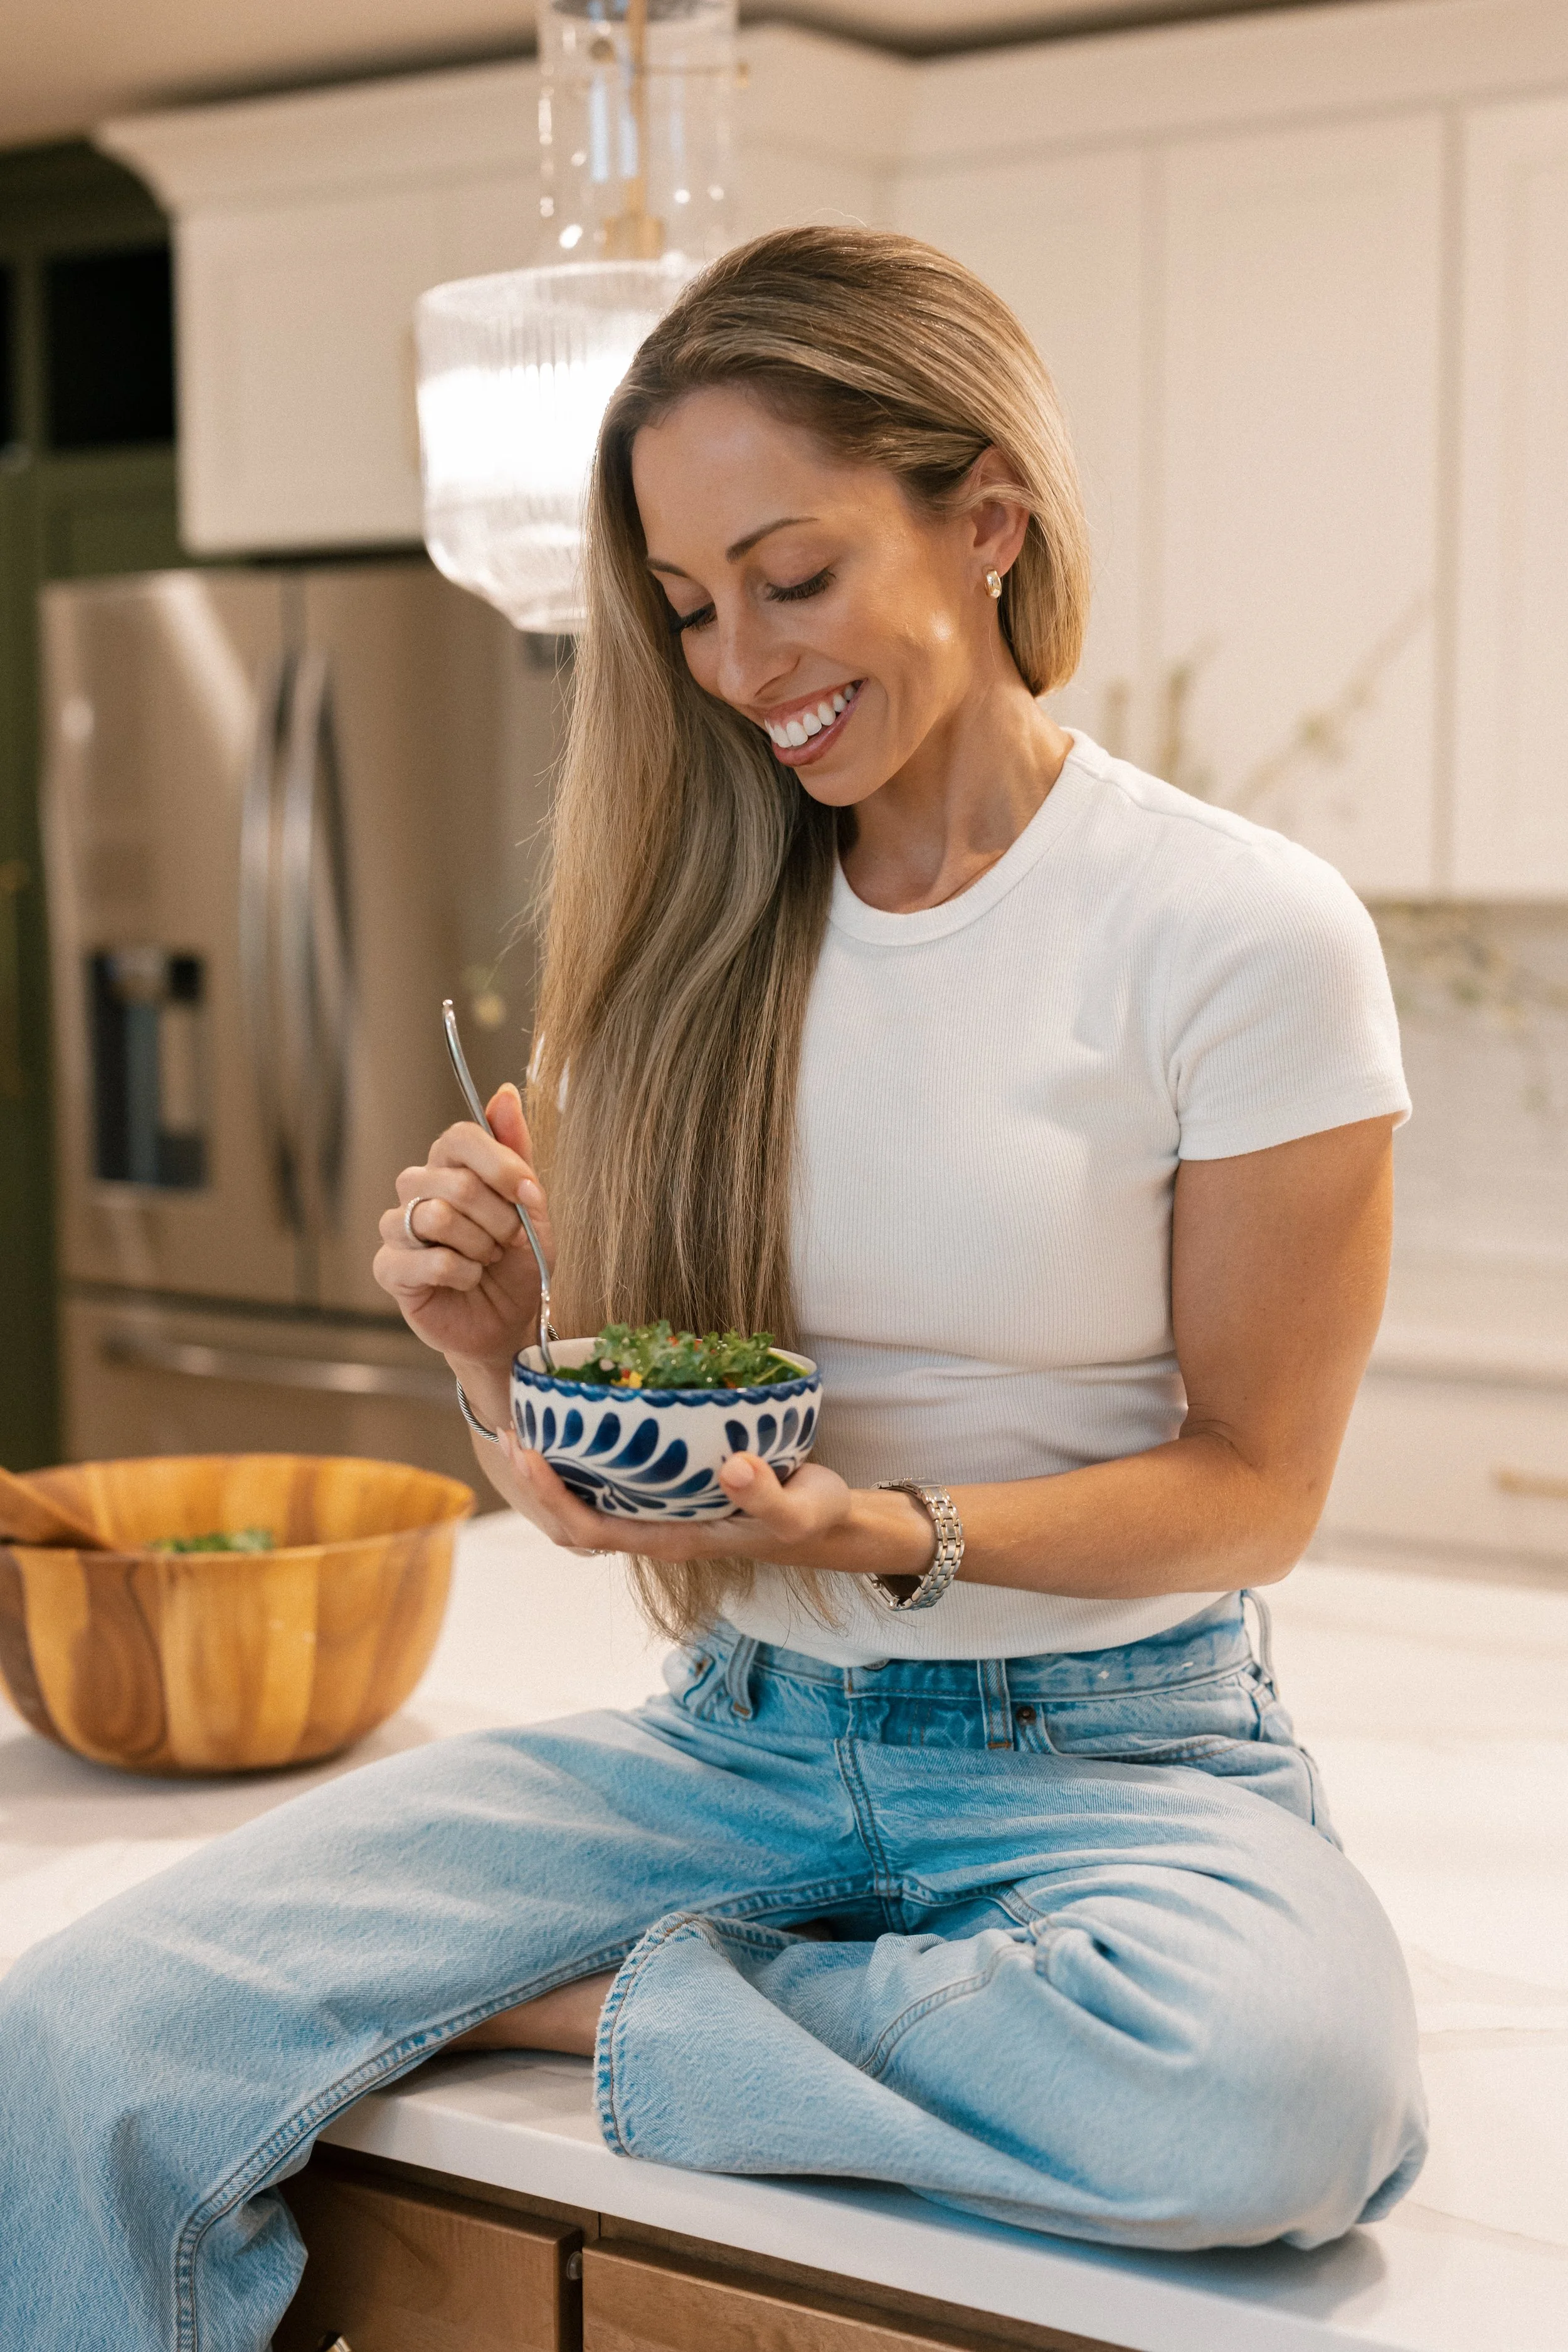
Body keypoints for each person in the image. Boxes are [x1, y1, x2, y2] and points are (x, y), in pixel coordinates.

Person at [0, 227, 1426, 2350]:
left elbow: (1251, 1488)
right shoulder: (684, 953)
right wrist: (492, 1356)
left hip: (1112, 1760)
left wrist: (889, 1531)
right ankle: (727, 1988)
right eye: (682, 610)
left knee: (1272, 2102)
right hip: (735, 1743)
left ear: (986, 521)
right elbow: (601, 1502)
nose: (743, 663)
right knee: (86, 2023)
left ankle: (595, 1999)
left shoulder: (1235, 933)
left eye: (793, 575)